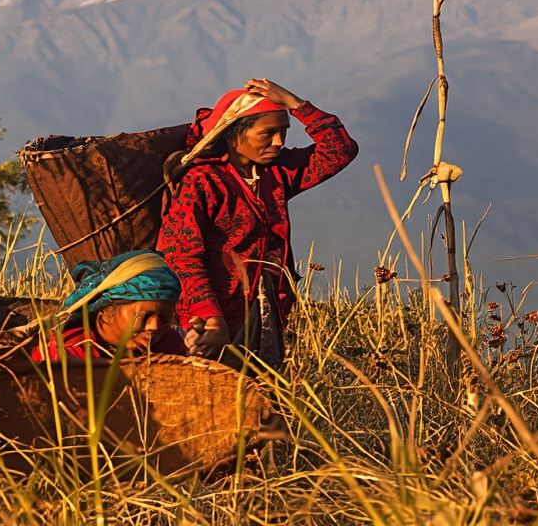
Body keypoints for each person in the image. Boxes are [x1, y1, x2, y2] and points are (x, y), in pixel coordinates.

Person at [157, 78, 357, 370]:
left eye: (283, 132)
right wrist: (211, 317)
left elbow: (340, 150)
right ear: (233, 134)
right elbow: (181, 254)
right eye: (268, 133)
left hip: (264, 310)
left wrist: (296, 104)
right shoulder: (202, 181)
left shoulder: (276, 174)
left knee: (261, 401)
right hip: (209, 319)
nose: (279, 142)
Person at [32, 250, 186, 362]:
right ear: (105, 313)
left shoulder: (169, 343)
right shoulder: (70, 352)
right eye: (143, 316)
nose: (154, 326)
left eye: (164, 319)